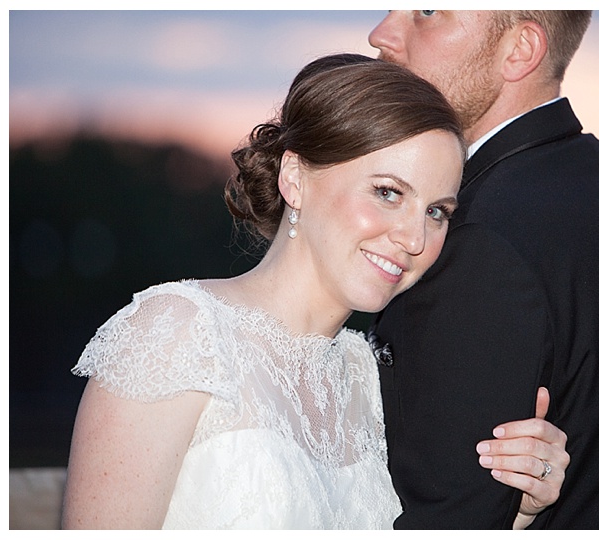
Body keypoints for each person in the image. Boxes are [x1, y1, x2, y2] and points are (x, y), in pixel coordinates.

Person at [61, 53, 568, 530]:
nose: (416, 239)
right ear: (295, 177)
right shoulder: (178, 334)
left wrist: (515, 510)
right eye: (388, 192)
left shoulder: (370, 380)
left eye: (437, 211)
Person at [368, 11, 599, 528]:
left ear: (520, 49)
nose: (383, 34)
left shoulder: (473, 237)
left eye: (429, 11)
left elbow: (446, 516)